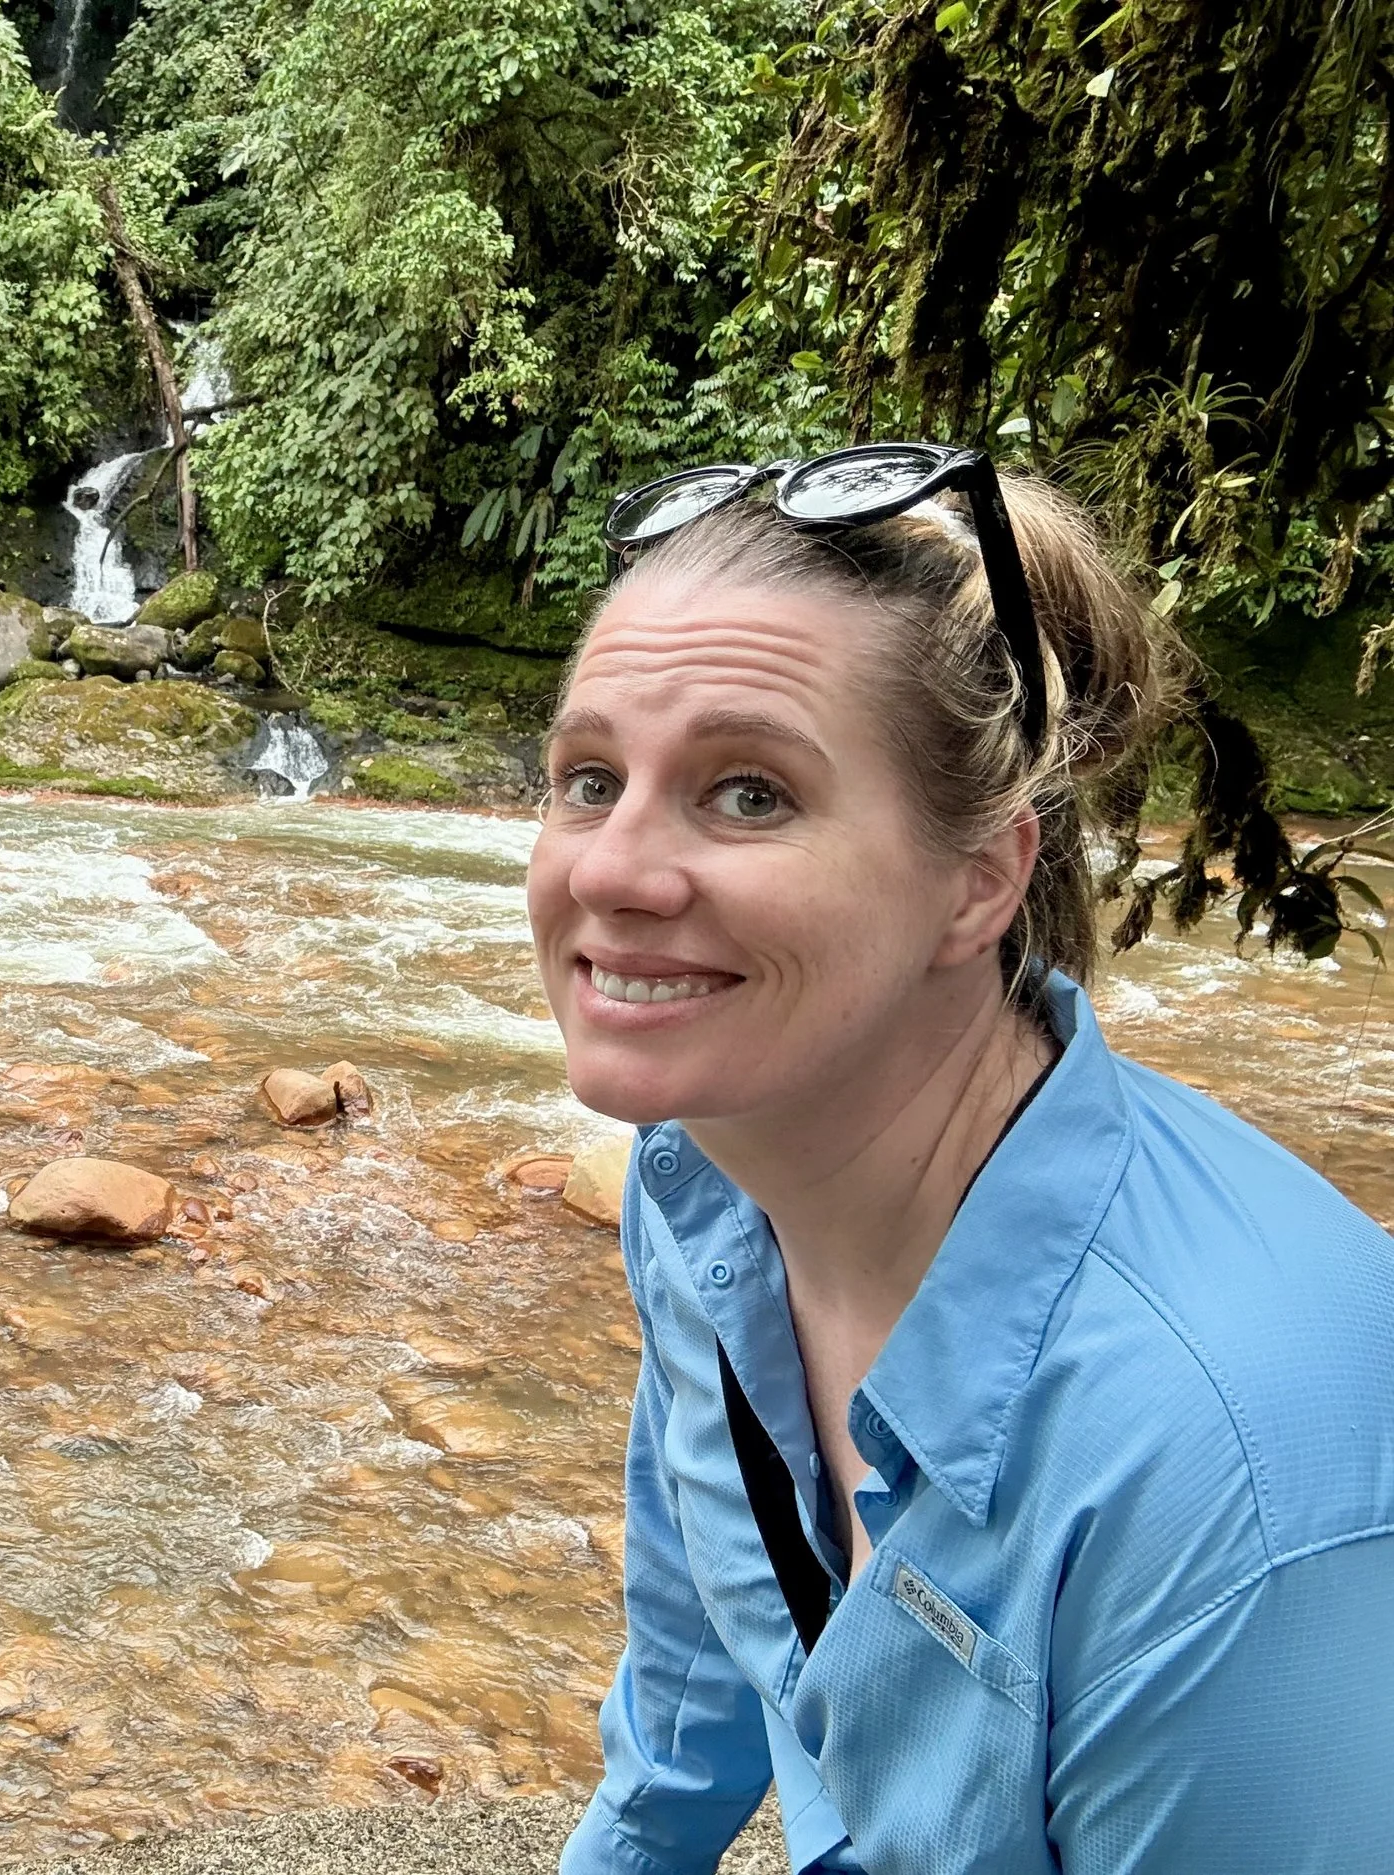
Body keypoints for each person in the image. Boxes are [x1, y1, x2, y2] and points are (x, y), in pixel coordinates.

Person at [531, 446, 1394, 1873]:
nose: (613, 869)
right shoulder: (700, 1193)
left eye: (748, 792)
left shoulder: (1215, 1486)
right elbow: (694, 1681)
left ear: (982, 878)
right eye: (587, 778)